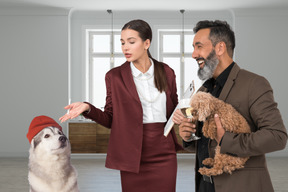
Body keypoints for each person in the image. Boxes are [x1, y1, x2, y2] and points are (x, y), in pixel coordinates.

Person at [60, 19, 182, 192]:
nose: (125, 47)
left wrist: (185, 112)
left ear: (147, 43)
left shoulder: (166, 71)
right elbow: (110, 119)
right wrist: (88, 108)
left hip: (164, 150)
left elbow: (175, 109)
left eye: (131, 42)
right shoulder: (114, 77)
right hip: (132, 153)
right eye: (123, 42)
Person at [173, 20, 287, 192]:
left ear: (220, 48)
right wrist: (189, 137)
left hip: (241, 186)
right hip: (204, 185)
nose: (194, 54)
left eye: (199, 46)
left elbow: (277, 137)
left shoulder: (254, 84)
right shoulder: (203, 89)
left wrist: (227, 140)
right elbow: (208, 143)